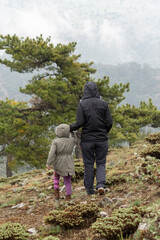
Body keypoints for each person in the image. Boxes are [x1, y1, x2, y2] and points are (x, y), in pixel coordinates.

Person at [70, 81, 112, 195]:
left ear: (85, 91)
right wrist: (104, 132)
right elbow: (109, 122)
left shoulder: (82, 104)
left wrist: (69, 127)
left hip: (87, 140)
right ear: (96, 90)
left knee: (88, 163)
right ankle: (101, 185)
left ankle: (89, 189)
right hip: (102, 139)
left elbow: (80, 122)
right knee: (101, 163)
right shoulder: (104, 104)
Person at [46, 124, 77, 201]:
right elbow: (75, 139)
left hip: (58, 161)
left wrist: (48, 163)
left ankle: (57, 194)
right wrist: (72, 132)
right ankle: (68, 196)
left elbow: (51, 153)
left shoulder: (55, 141)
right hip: (69, 160)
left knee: (56, 177)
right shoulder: (71, 140)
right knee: (67, 180)